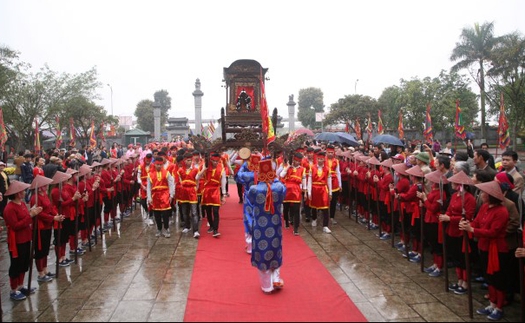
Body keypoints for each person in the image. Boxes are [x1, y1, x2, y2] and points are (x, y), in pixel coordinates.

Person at [459, 181, 509, 321]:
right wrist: (468, 224)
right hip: (484, 246)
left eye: (483, 193)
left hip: (497, 249)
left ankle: (499, 307)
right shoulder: (485, 207)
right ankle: (492, 303)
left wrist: (473, 230)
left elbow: (493, 232)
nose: (481, 195)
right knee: (489, 277)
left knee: (497, 279)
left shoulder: (501, 211)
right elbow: (477, 221)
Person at [246, 158, 286, 294]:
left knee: (262, 253)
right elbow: (282, 197)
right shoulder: (279, 187)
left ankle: (266, 286)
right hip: (275, 225)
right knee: (275, 249)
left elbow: (251, 201)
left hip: (259, 226)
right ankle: (276, 277)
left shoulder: (254, 189)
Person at [3, 181, 43, 300]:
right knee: (16, 264)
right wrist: (30, 215)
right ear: (17, 193)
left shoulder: (22, 204)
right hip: (16, 240)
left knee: (25, 262)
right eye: (23, 191)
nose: (24, 192)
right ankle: (13, 289)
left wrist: (33, 212)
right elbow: (15, 225)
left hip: (26, 237)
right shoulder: (9, 208)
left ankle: (21, 285)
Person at [29, 175, 64, 283]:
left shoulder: (44, 195)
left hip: (47, 225)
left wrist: (56, 214)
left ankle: (45, 269)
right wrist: (52, 217)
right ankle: (40, 272)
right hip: (40, 227)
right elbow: (39, 214)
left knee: (45, 248)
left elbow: (50, 207)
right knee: (40, 250)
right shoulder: (35, 198)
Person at [199, 153, 227, 237]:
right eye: (213, 161)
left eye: (217, 161)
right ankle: (211, 225)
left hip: (216, 191)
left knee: (215, 211)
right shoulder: (205, 167)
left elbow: (223, 181)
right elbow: (197, 177)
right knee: (208, 210)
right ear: (210, 160)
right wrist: (203, 169)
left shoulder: (221, 168)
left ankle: (215, 229)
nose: (215, 162)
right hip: (207, 190)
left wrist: (224, 194)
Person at [147, 156, 175, 238]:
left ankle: (166, 228)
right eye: (157, 165)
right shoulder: (150, 174)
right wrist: (149, 198)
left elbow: (171, 184)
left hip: (165, 195)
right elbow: (149, 187)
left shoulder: (167, 173)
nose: (159, 166)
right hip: (155, 196)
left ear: (162, 164)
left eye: (160, 165)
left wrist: (171, 195)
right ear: (154, 164)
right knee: (157, 214)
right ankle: (159, 229)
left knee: (165, 213)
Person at [280, 153, 306, 235]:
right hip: (287, 190)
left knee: (296, 209)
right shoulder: (287, 167)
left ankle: (296, 228)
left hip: (296, 191)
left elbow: (304, 181)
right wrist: (287, 167)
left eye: (298, 161)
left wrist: (305, 192)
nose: (297, 162)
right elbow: (281, 175)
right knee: (286, 208)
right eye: (295, 160)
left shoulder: (302, 169)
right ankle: (286, 221)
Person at [307, 151, 332, 233]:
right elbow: (309, 180)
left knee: (325, 207)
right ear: (317, 159)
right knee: (314, 206)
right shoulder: (312, 167)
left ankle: (325, 226)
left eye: (321, 159)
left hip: (323, 189)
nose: (320, 160)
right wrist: (309, 192)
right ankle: (314, 219)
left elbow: (329, 181)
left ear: (324, 160)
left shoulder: (327, 169)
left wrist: (330, 192)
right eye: (318, 159)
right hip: (314, 188)